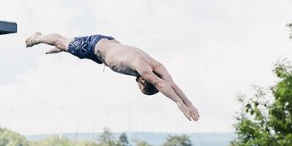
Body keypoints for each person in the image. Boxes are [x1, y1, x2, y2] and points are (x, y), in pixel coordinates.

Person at [25, 31, 200, 122]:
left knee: (69, 46)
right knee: (61, 41)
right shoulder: (143, 68)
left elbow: (171, 84)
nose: (136, 83)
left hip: (106, 46)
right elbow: (161, 85)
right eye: (140, 86)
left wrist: (189, 103)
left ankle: (64, 48)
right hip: (93, 46)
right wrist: (178, 103)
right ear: (144, 80)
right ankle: (39, 38)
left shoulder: (156, 65)